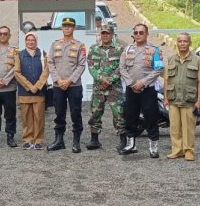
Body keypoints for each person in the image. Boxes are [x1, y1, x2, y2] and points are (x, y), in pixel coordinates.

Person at [118, 23, 164, 157]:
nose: (138, 35)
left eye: (141, 32)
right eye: (136, 32)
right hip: (131, 89)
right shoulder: (127, 50)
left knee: (151, 117)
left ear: (147, 34)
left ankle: (153, 147)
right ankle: (130, 144)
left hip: (148, 90)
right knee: (130, 116)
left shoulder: (155, 50)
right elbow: (122, 68)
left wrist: (142, 83)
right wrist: (132, 83)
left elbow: (159, 69)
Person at [163, 33, 200, 161]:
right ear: (177, 43)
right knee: (175, 127)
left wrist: (199, 100)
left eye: (185, 41)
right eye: (180, 41)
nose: (182, 43)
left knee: (189, 127)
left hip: (190, 99)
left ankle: (188, 150)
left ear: (190, 43)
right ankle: (177, 150)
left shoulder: (197, 60)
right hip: (173, 98)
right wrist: (165, 97)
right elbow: (166, 80)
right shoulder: (171, 59)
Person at [46, 17, 87, 153]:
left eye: (70, 26)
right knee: (59, 113)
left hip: (74, 86)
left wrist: (69, 81)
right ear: (61, 28)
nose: (67, 28)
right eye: (65, 26)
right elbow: (50, 63)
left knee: (76, 112)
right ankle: (59, 140)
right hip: (58, 86)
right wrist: (58, 80)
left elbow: (81, 65)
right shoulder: (55, 44)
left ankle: (76, 141)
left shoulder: (80, 45)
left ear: (74, 28)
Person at [86, 25, 123, 150]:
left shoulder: (119, 49)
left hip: (115, 88)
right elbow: (91, 67)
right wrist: (102, 79)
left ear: (112, 34)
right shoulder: (93, 49)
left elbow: (122, 67)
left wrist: (110, 80)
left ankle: (123, 141)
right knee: (96, 112)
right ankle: (94, 140)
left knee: (119, 113)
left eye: (107, 33)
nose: (105, 35)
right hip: (99, 88)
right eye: (103, 33)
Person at [13, 32, 49, 149]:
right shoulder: (19, 55)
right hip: (24, 92)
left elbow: (46, 71)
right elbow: (17, 73)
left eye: (33, 40)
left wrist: (37, 86)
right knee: (26, 117)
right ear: (25, 41)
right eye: (28, 40)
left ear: (36, 41)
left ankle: (38, 141)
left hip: (39, 92)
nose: (30, 42)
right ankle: (27, 140)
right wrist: (29, 86)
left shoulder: (42, 54)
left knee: (39, 117)